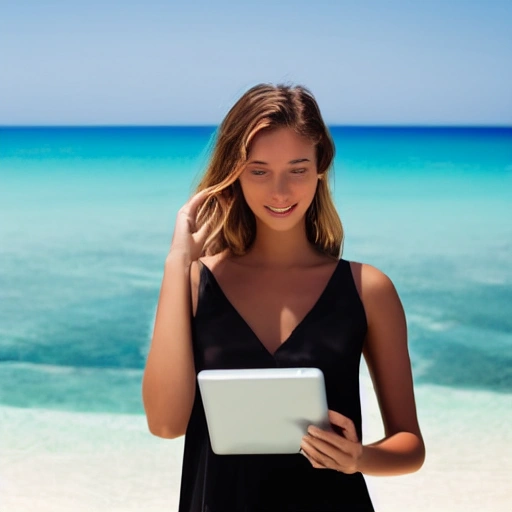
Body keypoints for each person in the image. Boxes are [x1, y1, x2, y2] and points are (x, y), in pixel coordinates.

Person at [142, 83, 425, 511]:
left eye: (297, 169)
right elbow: (165, 423)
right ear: (233, 173)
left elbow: (411, 446)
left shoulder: (368, 290)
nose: (280, 192)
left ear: (319, 168)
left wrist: (359, 458)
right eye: (259, 170)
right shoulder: (194, 284)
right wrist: (177, 261)